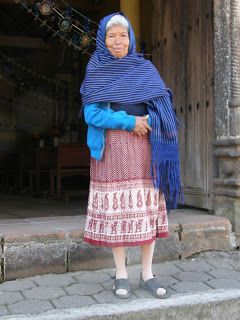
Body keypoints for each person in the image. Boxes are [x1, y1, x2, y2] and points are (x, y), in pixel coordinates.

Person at [80, 12, 182, 299]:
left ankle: (147, 273)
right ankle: (121, 274)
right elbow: (92, 113)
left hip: (147, 147)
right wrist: (129, 122)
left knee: (146, 209)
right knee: (119, 210)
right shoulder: (97, 68)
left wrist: (151, 120)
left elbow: (163, 106)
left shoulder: (144, 68)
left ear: (131, 38)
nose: (117, 41)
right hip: (112, 147)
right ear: (103, 39)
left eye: (122, 35)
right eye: (111, 35)